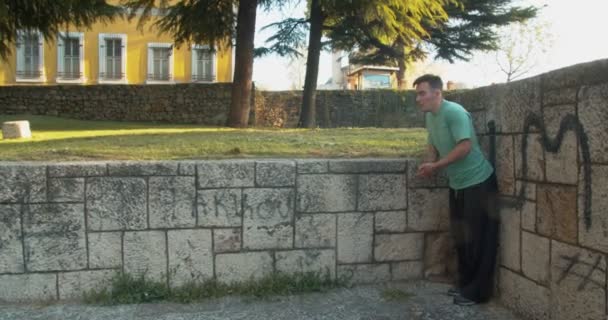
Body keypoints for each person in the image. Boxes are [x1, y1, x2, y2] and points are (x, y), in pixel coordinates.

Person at [413, 74, 499, 306]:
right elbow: (433, 142)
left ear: (437, 93)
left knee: (479, 240)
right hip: (458, 184)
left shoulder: (454, 112)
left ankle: (478, 293)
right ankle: (465, 285)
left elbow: (465, 146)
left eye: (422, 93)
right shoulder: (431, 116)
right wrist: (429, 163)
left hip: (479, 182)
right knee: (462, 237)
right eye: (417, 94)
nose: (418, 99)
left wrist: (437, 165)